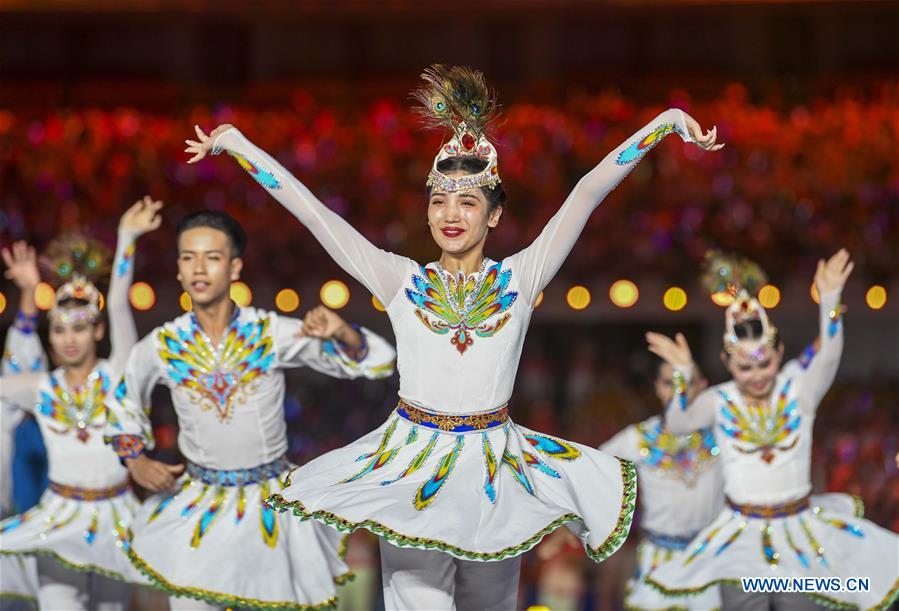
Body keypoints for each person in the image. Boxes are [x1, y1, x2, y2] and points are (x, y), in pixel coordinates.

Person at [187, 64, 723, 609]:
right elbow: (314, 214)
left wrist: (667, 122)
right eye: (439, 200)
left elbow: (586, 192)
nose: (450, 213)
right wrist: (238, 146)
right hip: (409, 468)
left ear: (494, 215)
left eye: (467, 202)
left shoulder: (520, 277)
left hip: (497, 474)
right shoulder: (402, 280)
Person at [104, 210, 397, 610]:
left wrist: (343, 332)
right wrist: (135, 461)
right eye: (188, 257)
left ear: (235, 267)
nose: (199, 267)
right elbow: (122, 395)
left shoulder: (269, 332)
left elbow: (374, 361)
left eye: (212, 256)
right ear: (178, 270)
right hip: (198, 506)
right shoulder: (162, 345)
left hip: (269, 506)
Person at [645, 250, 899, 610]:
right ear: (726, 362)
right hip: (740, 540)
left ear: (778, 352)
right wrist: (684, 376)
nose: (757, 375)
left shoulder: (799, 388)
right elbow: (678, 423)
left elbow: (828, 354)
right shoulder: (720, 400)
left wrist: (829, 299)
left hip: (797, 536)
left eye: (764, 363)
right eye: (745, 367)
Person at [0, 198, 163, 610]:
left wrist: (126, 238)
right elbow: (11, 368)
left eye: (80, 327)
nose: (69, 337)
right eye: (58, 329)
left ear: (98, 330)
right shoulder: (40, 387)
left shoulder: (116, 376)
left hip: (117, 520)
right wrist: (25, 294)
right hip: (59, 521)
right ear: (49, 336)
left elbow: (121, 303)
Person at [599, 360, 723, 610]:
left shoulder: (723, 433)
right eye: (670, 383)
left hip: (709, 563)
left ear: (703, 387)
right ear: (657, 387)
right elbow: (592, 473)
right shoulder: (640, 438)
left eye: (687, 383)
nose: (680, 392)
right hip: (657, 563)